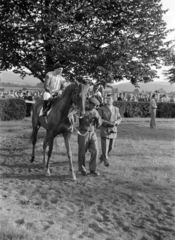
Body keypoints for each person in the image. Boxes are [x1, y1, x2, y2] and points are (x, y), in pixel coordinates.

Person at [78, 97, 101, 176]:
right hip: (83, 133)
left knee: (96, 150)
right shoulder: (83, 110)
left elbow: (99, 125)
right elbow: (76, 118)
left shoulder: (95, 112)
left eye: (96, 106)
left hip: (92, 132)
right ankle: (82, 169)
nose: (95, 107)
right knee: (82, 152)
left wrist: (97, 119)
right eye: (94, 105)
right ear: (89, 104)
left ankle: (93, 169)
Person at [98, 93, 122, 167]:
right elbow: (100, 119)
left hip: (113, 130)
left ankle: (102, 157)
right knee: (105, 147)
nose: (108, 100)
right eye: (106, 99)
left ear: (113, 100)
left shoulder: (116, 109)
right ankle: (106, 161)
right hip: (105, 130)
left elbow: (120, 118)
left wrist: (116, 122)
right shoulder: (101, 108)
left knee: (111, 147)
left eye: (109, 99)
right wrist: (108, 123)